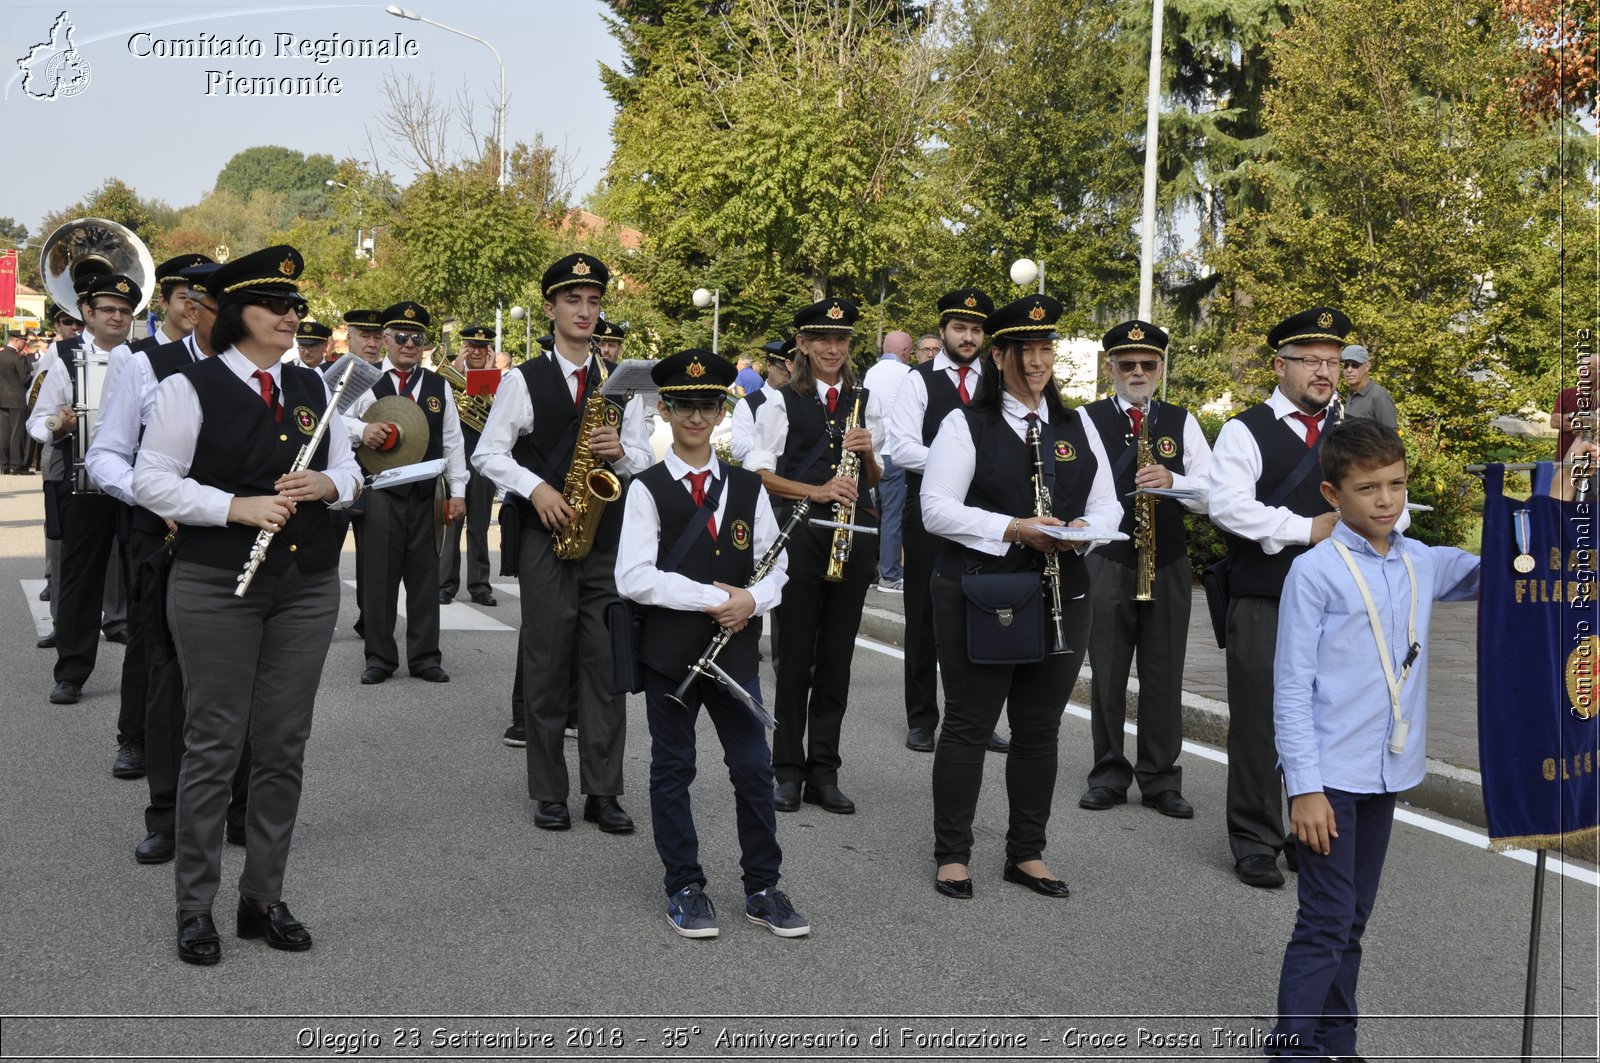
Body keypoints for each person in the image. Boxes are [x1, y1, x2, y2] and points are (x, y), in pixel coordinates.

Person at [132, 244, 363, 966]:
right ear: (236, 312)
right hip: (215, 585)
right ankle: (195, 906)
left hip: (305, 584)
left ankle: (263, 896)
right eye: (276, 306)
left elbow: (349, 467)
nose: (292, 317)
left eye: (297, 307)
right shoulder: (188, 387)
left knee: (283, 745)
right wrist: (236, 506)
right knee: (214, 744)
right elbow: (152, 481)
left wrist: (329, 488)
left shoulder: (313, 385)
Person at [1267, 416, 1479, 1058]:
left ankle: (1337, 1042)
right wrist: (1303, 788)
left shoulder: (1424, 561)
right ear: (1333, 496)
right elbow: (1290, 687)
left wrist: (1556, 503)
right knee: (1326, 920)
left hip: (1385, 771)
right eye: (1368, 488)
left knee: (1352, 919)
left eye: (1396, 485)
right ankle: (1292, 1046)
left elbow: (1507, 571)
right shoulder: (1315, 572)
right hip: (1328, 777)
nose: (1386, 501)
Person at [920, 293, 1121, 899]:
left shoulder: (1076, 422)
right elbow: (936, 510)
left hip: (1064, 589)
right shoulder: (965, 423)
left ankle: (1026, 852)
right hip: (982, 591)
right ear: (999, 355)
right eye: (1025, 351)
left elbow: (1107, 502)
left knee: (1040, 729)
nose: (1038, 363)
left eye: (1046, 349)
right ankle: (953, 853)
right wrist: (1014, 528)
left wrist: (1081, 534)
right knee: (968, 724)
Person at [614, 348, 810, 939]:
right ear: (665, 411)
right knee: (673, 769)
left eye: (707, 405)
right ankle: (685, 886)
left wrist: (753, 601)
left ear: (721, 411)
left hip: (737, 652)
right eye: (684, 406)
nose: (696, 417)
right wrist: (713, 598)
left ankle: (763, 886)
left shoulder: (748, 486)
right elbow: (634, 576)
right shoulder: (646, 488)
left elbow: (776, 566)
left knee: (753, 769)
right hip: (671, 653)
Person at [1208, 306, 1399, 889]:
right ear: (1279, 365)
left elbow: (1395, 502)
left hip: (1343, 600)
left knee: (1327, 719)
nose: (1324, 372)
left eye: (1333, 362)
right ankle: (1255, 838)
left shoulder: (1353, 433)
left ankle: (1308, 829)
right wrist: (1308, 528)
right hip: (1266, 595)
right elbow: (1228, 507)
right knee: (1261, 719)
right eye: (1311, 361)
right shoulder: (1245, 429)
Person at [473, 253, 654, 833]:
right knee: (547, 663)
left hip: (606, 539)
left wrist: (621, 454)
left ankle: (604, 792)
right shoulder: (522, 379)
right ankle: (550, 790)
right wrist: (539, 490)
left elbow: (646, 457)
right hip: (545, 533)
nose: (584, 311)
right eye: (572, 300)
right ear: (550, 309)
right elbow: (489, 454)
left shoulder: (621, 383)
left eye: (593, 301)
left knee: (606, 669)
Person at [747, 297, 879, 815]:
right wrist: (816, 491)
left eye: (842, 340)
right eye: (822, 339)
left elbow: (875, 481)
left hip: (855, 537)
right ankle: (786, 771)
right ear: (801, 344)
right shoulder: (781, 401)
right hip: (801, 536)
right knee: (795, 657)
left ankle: (825, 771)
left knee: (836, 661)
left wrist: (868, 456)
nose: (832, 348)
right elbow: (759, 474)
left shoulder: (863, 399)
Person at [1077, 321, 1211, 819]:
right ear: (1110, 368)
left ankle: (1160, 778)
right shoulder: (1086, 420)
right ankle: (1108, 773)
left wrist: (1173, 479)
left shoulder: (1183, 420)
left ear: (1160, 369)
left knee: (1164, 671)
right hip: (1110, 560)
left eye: (1147, 364)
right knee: (1108, 673)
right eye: (1126, 364)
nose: (1137, 372)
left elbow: (1215, 495)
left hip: (1169, 560)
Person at [886, 288, 1007, 754]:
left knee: (984, 615)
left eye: (977, 329)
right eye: (960, 328)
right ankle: (921, 718)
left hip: (988, 514)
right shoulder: (919, 381)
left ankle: (978, 717)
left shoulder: (996, 377)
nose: (969, 336)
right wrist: (960, 460)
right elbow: (901, 447)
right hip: (931, 514)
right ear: (943, 332)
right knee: (924, 616)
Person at [27, 273, 138, 708]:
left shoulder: (144, 357)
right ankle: (71, 672)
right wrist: (59, 424)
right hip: (83, 484)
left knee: (144, 575)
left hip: (136, 485)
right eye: (108, 310)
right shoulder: (62, 355)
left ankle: (145, 660)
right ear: (88, 314)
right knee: (78, 579)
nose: (117, 317)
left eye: (125, 311)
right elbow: (36, 422)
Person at [342, 302, 468, 684]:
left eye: (417, 338)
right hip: (381, 491)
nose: (409, 344)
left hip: (427, 493)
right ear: (385, 340)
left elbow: (453, 442)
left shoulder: (437, 386)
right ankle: (379, 657)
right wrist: (362, 431)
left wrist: (458, 491)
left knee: (425, 577)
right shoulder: (364, 380)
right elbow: (333, 419)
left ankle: (426, 656)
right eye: (400, 337)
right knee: (379, 577)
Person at [440, 324, 500, 607]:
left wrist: (487, 375)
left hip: (483, 462)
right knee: (451, 523)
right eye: (471, 347)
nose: (476, 352)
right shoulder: (448, 380)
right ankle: (445, 585)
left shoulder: (500, 382)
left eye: (483, 348)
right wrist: (458, 369)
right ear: (463, 349)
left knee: (479, 526)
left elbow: (498, 417)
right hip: (454, 459)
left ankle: (480, 586)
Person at [863, 330, 913, 592]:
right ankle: (891, 575)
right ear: (905, 352)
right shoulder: (907, 375)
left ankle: (875, 570)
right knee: (893, 516)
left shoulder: (871, 373)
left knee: (877, 514)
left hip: (872, 454)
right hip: (895, 453)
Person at [129, 254, 213, 355]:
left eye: (201, 299)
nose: (193, 307)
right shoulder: (131, 355)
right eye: (184, 298)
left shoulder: (216, 355)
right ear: (163, 302)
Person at [1551, 349, 1598, 459]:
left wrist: (1568, 421)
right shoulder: (1566, 394)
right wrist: (1576, 417)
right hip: (1565, 463)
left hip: (1594, 465)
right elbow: (1554, 422)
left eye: (1590, 368)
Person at [1338, 344, 1396, 428]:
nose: (1349, 370)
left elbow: (1392, 436)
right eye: (1346, 365)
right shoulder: (1351, 396)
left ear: (1367, 367)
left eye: (1355, 365)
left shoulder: (1379, 396)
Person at [1, 329, 29, 474]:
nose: (25, 345)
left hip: (2, 399)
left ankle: (4, 465)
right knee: (17, 433)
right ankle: (16, 465)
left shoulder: (1, 355)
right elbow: (25, 379)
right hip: (17, 399)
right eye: (24, 341)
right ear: (17, 340)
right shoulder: (18, 358)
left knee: (4, 432)